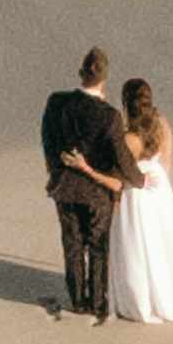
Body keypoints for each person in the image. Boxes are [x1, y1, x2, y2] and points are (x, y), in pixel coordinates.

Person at [100, 72, 173, 326]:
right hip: (160, 188)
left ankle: (140, 301)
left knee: (136, 245)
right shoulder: (162, 126)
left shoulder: (127, 138)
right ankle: (170, 296)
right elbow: (166, 161)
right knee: (163, 242)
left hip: (136, 193)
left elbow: (121, 172)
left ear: (126, 105)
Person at [39, 46, 126, 315]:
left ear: (80, 74)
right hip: (97, 191)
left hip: (64, 185)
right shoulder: (109, 115)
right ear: (105, 79)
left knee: (72, 242)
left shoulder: (56, 102)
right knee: (98, 245)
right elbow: (118, 155)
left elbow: (47, 139)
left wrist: (55, 170)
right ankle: (98, 301)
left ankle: (78, 299)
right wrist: (132, 179)